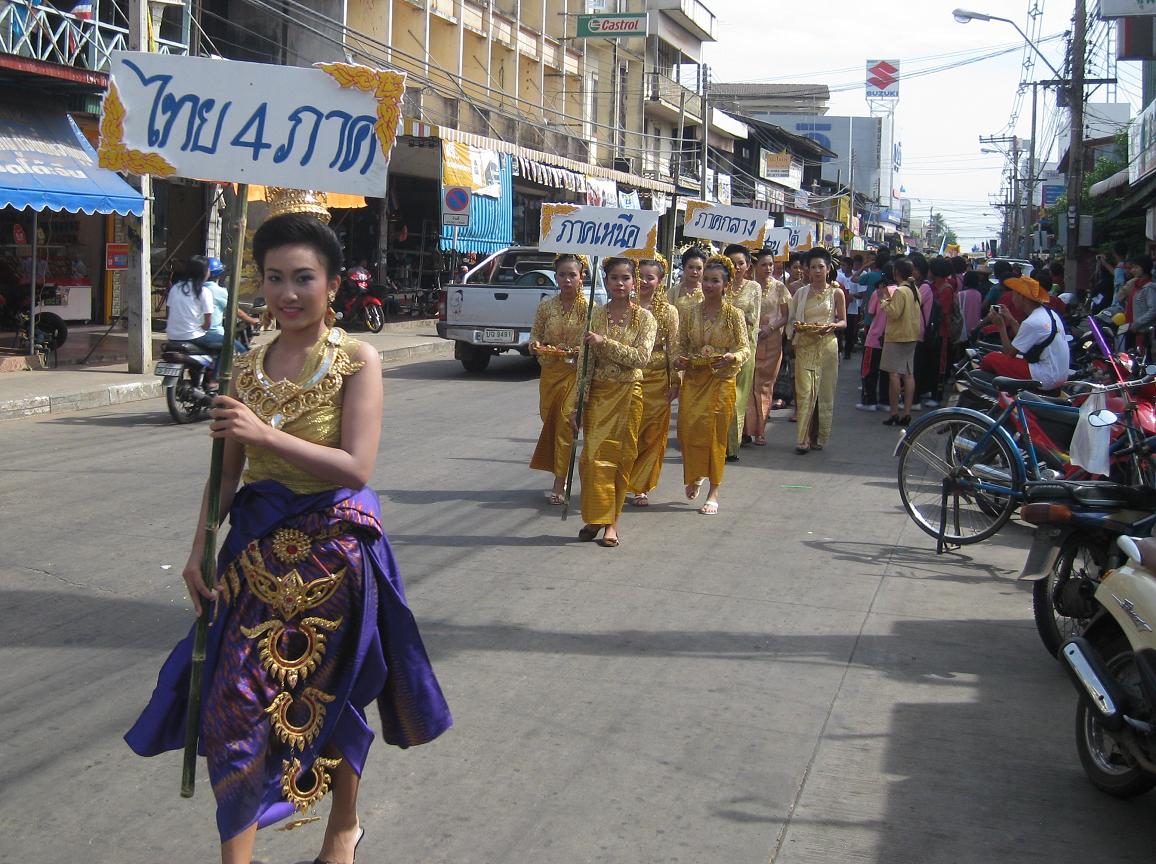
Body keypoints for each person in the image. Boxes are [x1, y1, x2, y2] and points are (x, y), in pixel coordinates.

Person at [125, 213, 452, 864]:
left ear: (332, 284)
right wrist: (197, 551)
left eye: (303, 277)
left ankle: (343, 827)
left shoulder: (358, 359)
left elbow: (356, 467)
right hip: (253, 556)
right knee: (234, 704)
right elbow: (227, 473)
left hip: (334, 555)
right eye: (274, 278)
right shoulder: (244, 367)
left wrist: (264, 434)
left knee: (327, 699)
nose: (287, 293)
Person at [568, 258, 656, 547]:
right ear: (605, 281)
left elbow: (640, 358)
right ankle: (597, 515)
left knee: (621, 458)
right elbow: (585, 365)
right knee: (591, 460)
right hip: (598, 396)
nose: (620, 283)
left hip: (629, 393)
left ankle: (612, 524)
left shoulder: (645, 318)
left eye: (626, 278)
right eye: (614, 278)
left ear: (634, 282)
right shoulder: (594, 315)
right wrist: (576, 405)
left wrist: (604, 342)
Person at [675, 256, 749, 514]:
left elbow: (744, 348)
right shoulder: (690, 313)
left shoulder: (734, 315)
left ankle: (713, 491)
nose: (708, 285)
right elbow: (681, 345)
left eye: (715, 281)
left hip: (721, 381)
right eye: (706, 279)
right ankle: (696, 474)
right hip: (694, 381)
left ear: (726, 285)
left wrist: (732, 357)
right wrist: (680, 359)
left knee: (716, 436)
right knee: (688, 431)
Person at [529, 254, 590, 504]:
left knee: (566, 423)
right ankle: (558, 471)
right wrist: (536, 345)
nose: (567, 280)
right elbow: (535, 335)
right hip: (550, 374)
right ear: (556, 277)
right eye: (562, 275)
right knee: (551, 423)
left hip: (575, 374)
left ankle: (560, 481)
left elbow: (593, 344)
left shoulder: (590, 310)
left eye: (572, 275)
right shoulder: (546, 306)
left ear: (581, 277)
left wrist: (580, 351)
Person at [627, 255, 680, 507]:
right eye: (640, 276)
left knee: (651, 435)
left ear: (660, 281)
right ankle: (622, 479)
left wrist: (675, 381)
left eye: (650, 277)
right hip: (628, 377)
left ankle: (641, 487)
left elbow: (674, 348)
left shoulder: (668, 312)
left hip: (658, 379)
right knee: (628, 432)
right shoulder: (624, 306)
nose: (644, 282)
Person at [786, 247, 847, 454]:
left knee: (825, 394)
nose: (817, 271)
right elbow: (792, 319)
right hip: (805, 345)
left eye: (821, 267)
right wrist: (798, 328)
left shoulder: (836, 293)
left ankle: (818, 437)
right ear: (808, 270)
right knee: (805, 393)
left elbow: (843, 321)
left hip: (827, 345)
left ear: (828, 269)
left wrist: (832, 326)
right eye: (813, 267)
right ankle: (802, 439)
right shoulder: (801, 293)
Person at [979, 274, 1070, 390]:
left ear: (1021, 296)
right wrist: (1011, 320)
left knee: (990, 358)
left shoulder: (1033, 321)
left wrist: (1000, 326)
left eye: (1014, 294)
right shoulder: (1048, 313)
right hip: (1058, 374)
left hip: (1046, 378)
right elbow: (1023, 338)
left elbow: (1009, 353)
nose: (1012, 298)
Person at [745, 248, 791, 444]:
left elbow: (786, 315)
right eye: (764, 264)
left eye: (771, 264)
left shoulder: (779, 287)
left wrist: (771, 327)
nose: (768, 268)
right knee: (748, 384)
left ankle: (760, 429)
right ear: (755, 266)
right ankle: (745, 429)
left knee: (764, 385)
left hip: (771, 341)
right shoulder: (748, 286)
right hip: (750, 339)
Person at [724, 243, 762, 458]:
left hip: (745, 348)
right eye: (732, 263)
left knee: (738, 399)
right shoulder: (719, 284)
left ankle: (732, 446)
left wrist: (730, 317)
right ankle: (717, 444)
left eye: (741, 263)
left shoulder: (754, 288)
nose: (737, 267)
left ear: (748, 266)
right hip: (720, 348)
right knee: (721, 397)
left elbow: (752, 319)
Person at [879, 258, 922, 427]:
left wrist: (884, 300)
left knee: (894, 375)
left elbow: (894, 313)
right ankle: (907, 412)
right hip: (911, 335)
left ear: (896, 272)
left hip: (897, 336)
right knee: (909, 374)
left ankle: (894, 412)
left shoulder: (900, 291)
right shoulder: (914, 289)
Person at [856, 262, 894, 412]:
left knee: (869, 370)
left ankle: (869, 401)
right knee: (887, 372)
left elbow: (871, 312)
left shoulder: (880, 292)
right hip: (892, 338)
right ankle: (885, 400)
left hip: (875, 336)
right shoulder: (903, 291)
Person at [204, 256, 260, 353]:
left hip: (192, 333)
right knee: (243, 352)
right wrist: (252, 321)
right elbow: (235, 311)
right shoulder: (218, 291)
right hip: (213, 334)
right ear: (219, 274)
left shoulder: (191, 289)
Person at [165, 256, 218, 351]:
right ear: (204, 272)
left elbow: (168, 313)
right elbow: (207, 324)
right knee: (230, 343)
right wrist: (199, 330)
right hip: (194, 337)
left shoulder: (175, 288)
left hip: (172, 337)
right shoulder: (204, 291)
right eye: (208, 269)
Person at [670, 246, 706, 321]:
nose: (695, 272)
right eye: (691, 267)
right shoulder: (673, 292)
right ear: (684, 267)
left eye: (699, 268)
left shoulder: (707, 291)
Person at [837, 255, 862, 360]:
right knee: (839, 331)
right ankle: (839, 350)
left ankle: (848, 351)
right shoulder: (839, 276)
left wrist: (852, 296)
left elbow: (861, 294)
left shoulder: (855, 278)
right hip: (841, 308)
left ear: (851, 266)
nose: (843, 267)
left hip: (852, 309)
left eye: (845, 265)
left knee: (850, 332)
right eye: (842, 265)